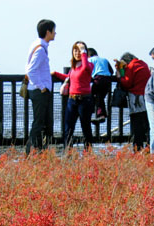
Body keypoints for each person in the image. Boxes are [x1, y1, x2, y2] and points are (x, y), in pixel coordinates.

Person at [53, 41, 94, 149]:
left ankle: (88, 152)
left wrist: (84, 51)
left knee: (86, 128)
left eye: (80, 50)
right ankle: (68, 151)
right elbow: (69, 78)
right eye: (75, 50)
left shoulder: (89, 64)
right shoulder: (74, 67)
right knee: (68, 128)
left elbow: (85, 68)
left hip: (85, 100)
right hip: (72, 100)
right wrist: (55, 74)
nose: (77, 53)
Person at [26, 19, 56, 154]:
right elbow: (31, 70)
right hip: (39, 91)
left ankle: (38, 150)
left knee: (42, 121)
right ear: (48, 32)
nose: (55, 33)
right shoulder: (40, 50)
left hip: (38, 90)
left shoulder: (38, 46)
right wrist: (41, 86)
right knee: (39, 122)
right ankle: (31, 150)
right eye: (54, 30)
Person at [116, 52, 151, 151]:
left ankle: (137, 149)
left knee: (137, 127)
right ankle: (150, 149)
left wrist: (120, 75)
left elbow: (127, 83)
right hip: (147, 97)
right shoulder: (143, 64)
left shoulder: (131, 66)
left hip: (136, 99)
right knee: (147, 126)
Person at [88, 48, 114, 122]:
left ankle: (90, 111)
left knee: (90, 95)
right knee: (100, 97)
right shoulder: (105, 60)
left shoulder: (90, 60)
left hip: (98, 79)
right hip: (108, 80)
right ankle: (101, 115)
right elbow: (111, 71)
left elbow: (87, 71)